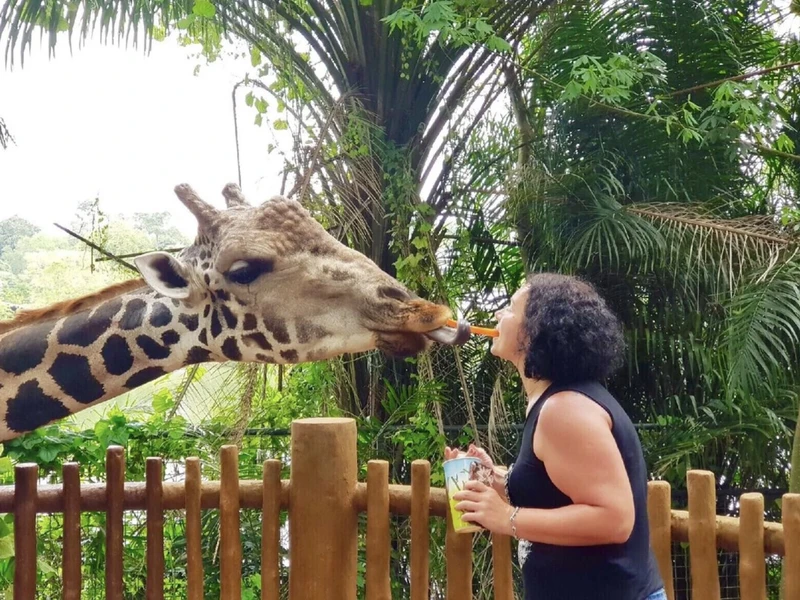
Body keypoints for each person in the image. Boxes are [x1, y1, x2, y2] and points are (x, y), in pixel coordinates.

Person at [448, 272, 666, 600]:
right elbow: (555, 493)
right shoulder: (554, 402)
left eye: (509, 309)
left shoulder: (564, 410)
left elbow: (615, 519)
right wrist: (493, 479)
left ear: (536, 330)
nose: (497, 316)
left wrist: (507, 518)